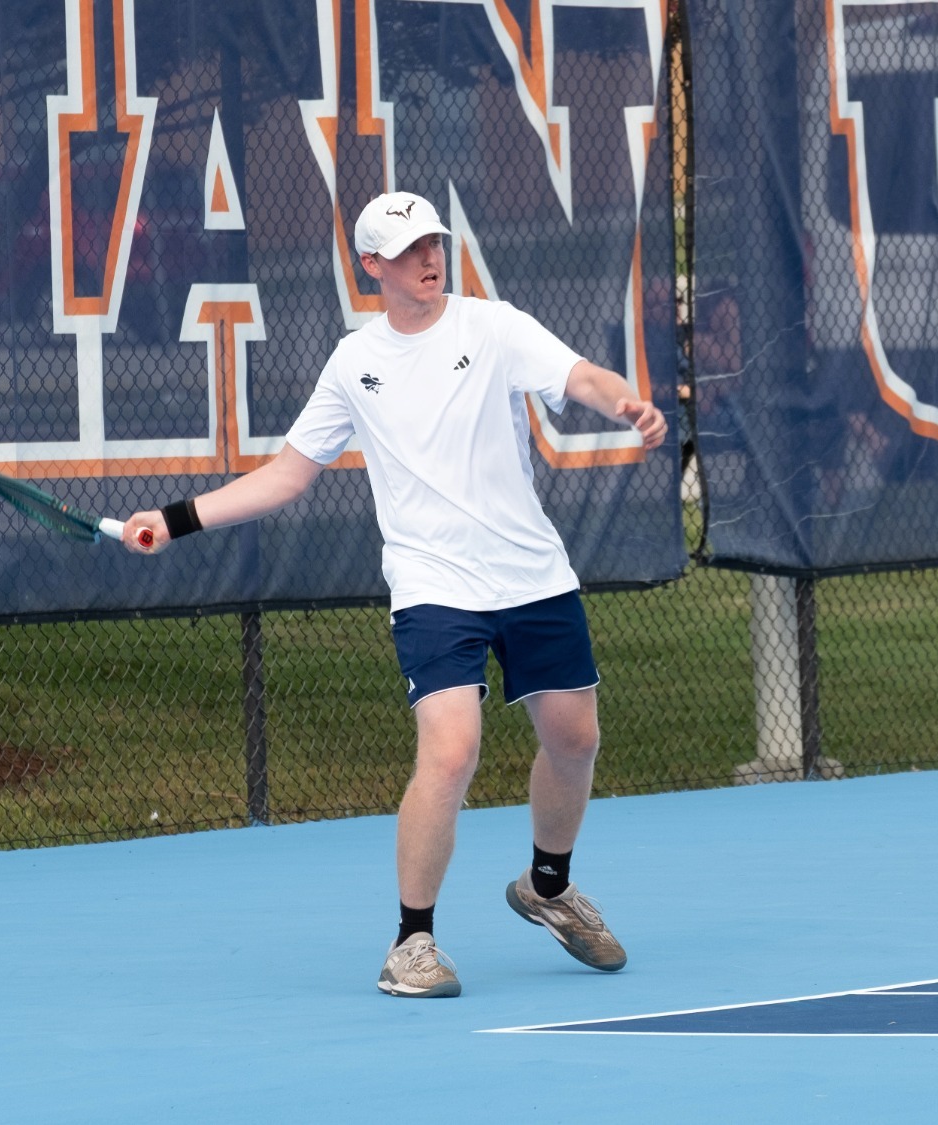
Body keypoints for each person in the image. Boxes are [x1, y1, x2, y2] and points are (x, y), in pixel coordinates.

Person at [120, 191, 666, 998]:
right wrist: (174, 520)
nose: (428, 258)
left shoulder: (492, 326)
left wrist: (623, 401)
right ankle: (412, 941)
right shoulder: (354, 363)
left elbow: (580, 374)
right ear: (371, 265)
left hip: (531, 573)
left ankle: (547, 887)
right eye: (408, 250)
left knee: (575, 737)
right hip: (432, 583)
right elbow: (288, 473)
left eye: (434, 244)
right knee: (450, 749)